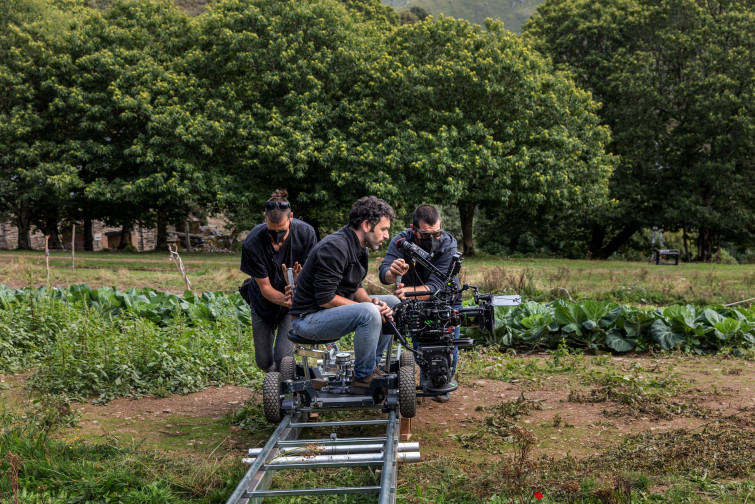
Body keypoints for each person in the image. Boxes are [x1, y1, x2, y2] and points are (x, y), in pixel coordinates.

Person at [289, 196, 400, 394]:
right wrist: (370, 308)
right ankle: (363, 379)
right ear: (366, 225)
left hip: (327, 314)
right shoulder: (335, 247)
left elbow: (355, 287)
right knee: (369, 312)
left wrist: (374, 303)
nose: (386, 235)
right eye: (383, 229)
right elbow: (325, 299)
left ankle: (373, 367)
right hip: (308, 320)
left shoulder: (359, 247)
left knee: (393, 302)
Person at [379, 204, 460, 402]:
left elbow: (436, 286)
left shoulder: (448, 244)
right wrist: (393, 272)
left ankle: (442, 380)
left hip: (446, 301)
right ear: (413, 229)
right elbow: (384, 273)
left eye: (437, 233)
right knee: (419, 344)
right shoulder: (400, 241)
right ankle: (426, 373)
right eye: (425, 235)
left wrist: (405, 292)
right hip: (414, 305)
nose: (432, 239)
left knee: (448, 346)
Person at [240, 189, 317, 373]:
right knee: (264, 362)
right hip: (262, 302)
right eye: (271, 231)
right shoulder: (252, 243)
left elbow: (313, 275)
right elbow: (265, 288)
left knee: (283, 357)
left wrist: (299, 285)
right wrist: (285, 298)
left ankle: (284, 389)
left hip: (292, 303)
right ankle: (278, 382)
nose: (277, 238)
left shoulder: (306, 234)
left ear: (291, 218)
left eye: (281, 231)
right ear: (264, 218)